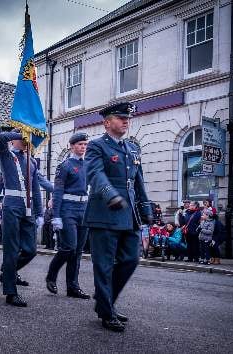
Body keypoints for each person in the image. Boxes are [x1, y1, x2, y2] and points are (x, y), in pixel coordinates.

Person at [83, 102, 153, 332]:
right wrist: (109, 194)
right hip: (104, 212)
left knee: (131, 259)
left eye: (127, 118)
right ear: (106, 123)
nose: (125, 121)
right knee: (103, 266)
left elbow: (138, 182)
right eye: (120, 117)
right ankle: (106, 309)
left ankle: (105, 301)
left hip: (129, 215)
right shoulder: (96, 146)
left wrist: (146, 210)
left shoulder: (132, 148)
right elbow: (95, 174)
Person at [0, 128, 44, 307]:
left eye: (27, 138)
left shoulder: (31, 161)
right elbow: (1, 138)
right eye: (23, 138)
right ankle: (10, 292)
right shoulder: (7, 156)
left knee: (30, 250)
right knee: (11, 249)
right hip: (12, 207)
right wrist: (21, 133)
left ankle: (7, 273)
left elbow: (37, 189)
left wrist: (39, 213)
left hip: (28, 209)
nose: (25, 141)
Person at [46, 132, 90, 299]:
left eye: (85, 145)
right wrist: (56, 216)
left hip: (83, 209)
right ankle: (51, 275)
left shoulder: (88, 165)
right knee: (69, 248)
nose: (83, 147)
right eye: (80, 144)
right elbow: (57, 192)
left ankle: (73, 286)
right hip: (68, 210)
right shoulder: (64, 166)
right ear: (72, 146)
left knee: (78, 251)